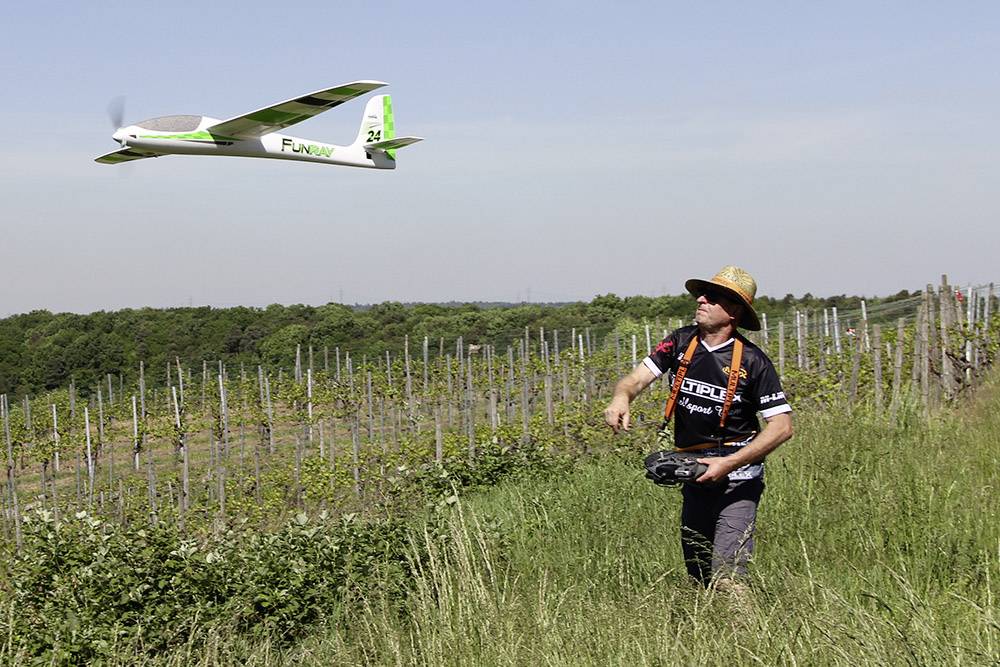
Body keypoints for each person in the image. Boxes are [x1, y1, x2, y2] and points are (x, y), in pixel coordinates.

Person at [603, 266, 793, 587]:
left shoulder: (753, 361)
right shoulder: (680, 342)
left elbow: (782, 427)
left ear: (734, 311)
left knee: (728, 577)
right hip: (693, 473)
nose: (701, 299)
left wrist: (728, 464)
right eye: (702, 294)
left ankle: (746, 619)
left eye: (713, 296)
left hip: (738, 479)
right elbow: (635, 379)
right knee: (698, 575)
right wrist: (622, 397)